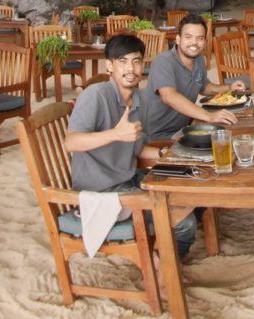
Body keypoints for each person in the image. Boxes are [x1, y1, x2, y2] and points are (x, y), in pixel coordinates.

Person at [65, 32, 196, 260]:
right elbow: (71, 142)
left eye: (136, 61)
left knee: (186, 188)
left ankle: (165, 262)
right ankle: (164, 272)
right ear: (109, 66)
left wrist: (166, 154)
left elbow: (135, 147)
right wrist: (115, 134)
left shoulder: (139, 99)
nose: (130, 69)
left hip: (127, 178)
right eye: (122, 61)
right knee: (184, 222)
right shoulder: (96, 95)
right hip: (99, 189)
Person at [141, 13, 245, 139]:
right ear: (178, 39)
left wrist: (229, 87)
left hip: (184, 129)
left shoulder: (199, 60)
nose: (194, 43)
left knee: (233, 135)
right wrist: (209, 115)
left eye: (200, 38)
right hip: (157, 136)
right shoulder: (163, 61)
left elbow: (204, 87)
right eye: (188, 37)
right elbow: (169, 96)